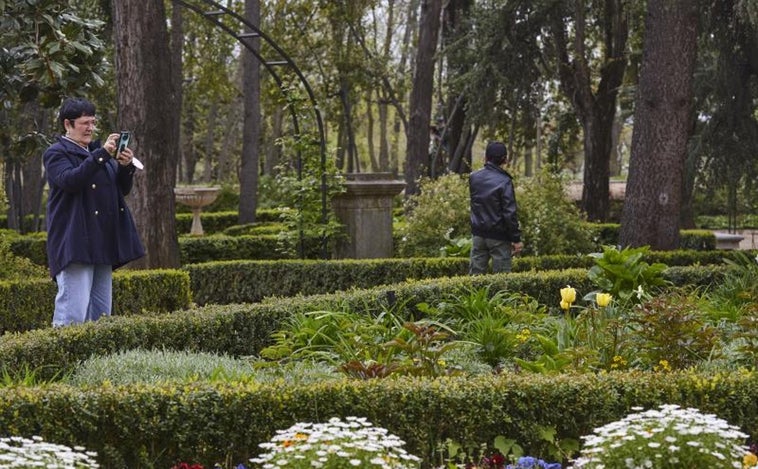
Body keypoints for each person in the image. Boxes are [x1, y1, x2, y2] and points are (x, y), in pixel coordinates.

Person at [43, 97, 145, 326]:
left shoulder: (99, 153)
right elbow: (71, 180)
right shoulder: (56, 153)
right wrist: (101, 156)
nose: (90, 128)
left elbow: (121, 190)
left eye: (93, 122)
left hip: (103, 241)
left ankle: (96, 362)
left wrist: (126, 167)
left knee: (101, 315)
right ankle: (65, 359)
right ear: (67, 124)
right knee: (72, 314)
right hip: (76, 241)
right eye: (84, 123)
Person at [468, 141, 523, 274]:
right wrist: (516, 239)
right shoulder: (505, 181)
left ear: (486, 157)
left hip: (478, 235)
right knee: (502, 280)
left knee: (475, 278)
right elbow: (509, 213)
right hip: (499, 237)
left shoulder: (474, 178)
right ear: (504, 160)